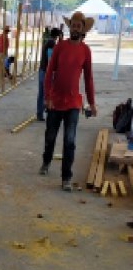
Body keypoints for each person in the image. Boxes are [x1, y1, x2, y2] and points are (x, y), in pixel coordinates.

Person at [39, 11, 96, 191]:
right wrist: (47, 97)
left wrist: (92, 102)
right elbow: (48, 73)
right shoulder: (59, 47)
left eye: (78, 26)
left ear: (82, 30)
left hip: (73, 103)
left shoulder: (85, 51)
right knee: (50, 136)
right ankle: (46, 161)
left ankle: (66, 178)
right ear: (70, 27)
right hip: (55, 101)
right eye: (73, 25)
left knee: (70, 141)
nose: (75, 28)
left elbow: (88, 79)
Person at [36, 27, 61, 121]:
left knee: (41, 93)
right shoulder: (51, 43)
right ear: (57, 36)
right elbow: (50, 58)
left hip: (42, 70)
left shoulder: (47, 41)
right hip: (46, 71)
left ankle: (40, 113)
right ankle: (47, 111)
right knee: (48, 93)